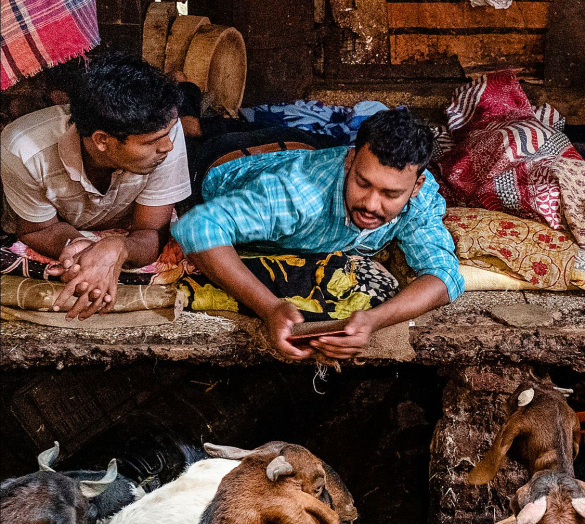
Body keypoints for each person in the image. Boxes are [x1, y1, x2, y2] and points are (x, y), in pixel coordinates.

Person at [172, 108, 463, 361]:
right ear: (350, 161)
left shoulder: (419, 197)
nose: (372, 205)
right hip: (223, 160)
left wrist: (374, 320)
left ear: (416, 186)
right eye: (363, 184)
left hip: (305, 148)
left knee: (291, 136)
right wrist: (269, 308)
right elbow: (197, 227)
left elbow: (444, 276)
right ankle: (187, 97)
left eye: (391, 194)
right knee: (191, 130)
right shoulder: (299, 196)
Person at [1, 51, 189, 319]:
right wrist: (75, 243)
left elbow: (151, 231)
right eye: (151, 142)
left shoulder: (162, 129)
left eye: (169, 133)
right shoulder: (23, 149)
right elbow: (36, 230)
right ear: (102, 140)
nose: (168, 146)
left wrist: (118, 247)